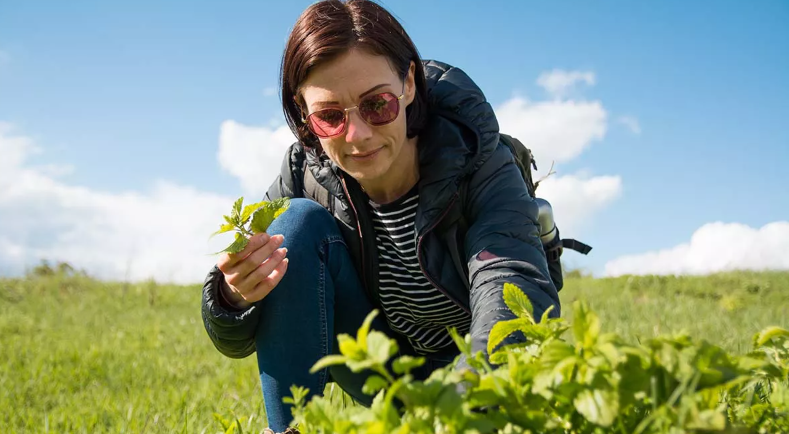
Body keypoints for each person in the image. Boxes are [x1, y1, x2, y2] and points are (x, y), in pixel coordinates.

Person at [200, 0, 560, 432]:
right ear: (302, 112)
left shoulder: (477, 159)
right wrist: (234, 298)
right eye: (330, 116)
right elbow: (235, 337)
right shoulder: (304, 174)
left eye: (377, 104)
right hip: (384, 371)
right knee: (293, 224)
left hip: (477, 378)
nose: (358, 135)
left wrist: (455, 410)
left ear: (409, 83)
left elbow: (509, 284)